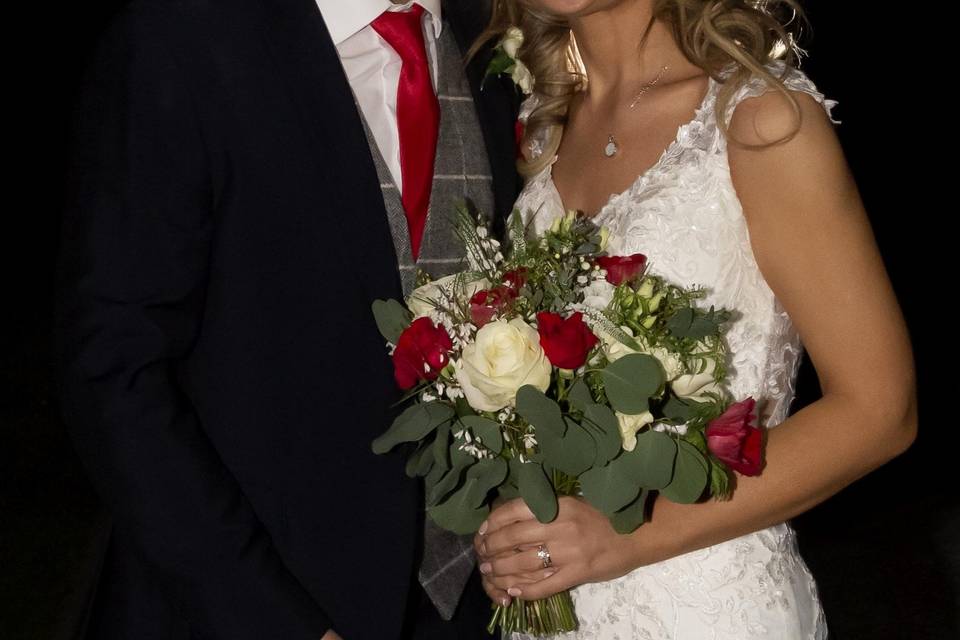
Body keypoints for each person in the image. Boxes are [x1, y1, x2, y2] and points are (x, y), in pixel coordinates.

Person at [54, 1, 519, 638]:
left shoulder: (503, 39)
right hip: (248, 603)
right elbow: (114, 368)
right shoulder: (183, 34)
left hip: (478, 603)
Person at [472, 1, 917, 637]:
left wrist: (628, 536)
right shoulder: (540, 128)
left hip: (706, 605)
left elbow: (879, 412)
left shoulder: (759, 118)